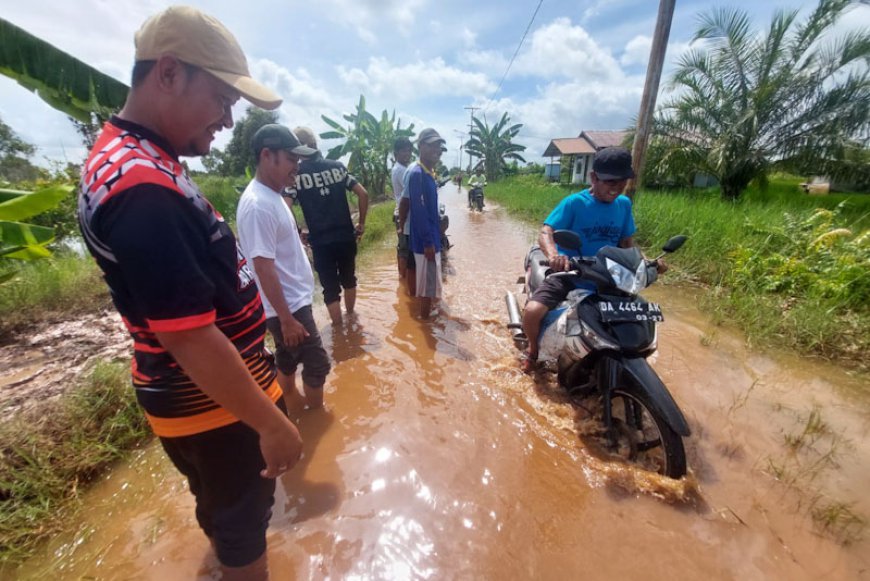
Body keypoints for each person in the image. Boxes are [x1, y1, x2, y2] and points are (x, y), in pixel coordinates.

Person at [76, 7, 301, 579]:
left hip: (206, 404)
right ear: (170, 73)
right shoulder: (143, 187)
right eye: (222, 100)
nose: (227, 121)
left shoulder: (134, 158)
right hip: (211, 410)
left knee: (227, 517)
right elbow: (192, 338)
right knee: (243, 527)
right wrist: (270, 424)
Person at [520, 146, 667, 373]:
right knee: (532, 311)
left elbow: (627, 242)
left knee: (635, 319)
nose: (617, 187)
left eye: (622, 181)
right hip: (571, 274)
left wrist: (647, 264)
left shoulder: (624, 205)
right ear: (593, 177)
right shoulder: (574, 203)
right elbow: (546, 231)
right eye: (610, 181)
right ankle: (532, 350)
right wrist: (554, 256)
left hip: (610, 279)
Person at [236, 124, 332, 416]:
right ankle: (316, 419)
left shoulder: (272, 195)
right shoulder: (258, 205)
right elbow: (262, 267)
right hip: (287, 308)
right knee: (317, 364)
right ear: (268, 155)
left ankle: (287, 406)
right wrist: (288, 320)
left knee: (287, 360)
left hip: (290, 304)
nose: (297, 167)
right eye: (291, 159)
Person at [289, 126, 369, 325]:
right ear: (315, 144)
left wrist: (298, 232)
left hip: (320, 241)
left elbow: (285, 206)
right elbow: (363, 193)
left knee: (330, 289)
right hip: (345, 236)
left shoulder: (296, 175)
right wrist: (361, 223)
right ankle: (351, 318)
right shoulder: (337, 166)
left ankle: (339, 330)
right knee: (349, 279)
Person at [405, 128, 446, 318]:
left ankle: (426, 320)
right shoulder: (417, 173)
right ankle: (425, 328)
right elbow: (419, 212)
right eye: (431, 145)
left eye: (438, 146)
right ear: (420, 146)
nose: (436, 149)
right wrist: (429, 242)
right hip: (426, 243)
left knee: (429, 287)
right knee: (427, 290)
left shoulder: (428, 172)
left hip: (432, 239)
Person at [391, 137, 413, 280]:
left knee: (404, 248)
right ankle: (403, 279)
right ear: (396, 153)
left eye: (409, 151)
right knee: (404, 249)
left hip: (403, 213)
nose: (408, 154)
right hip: (403, 214)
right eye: (404, 151)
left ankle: (403, 278)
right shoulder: (401, 170)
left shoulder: (404, 169)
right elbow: (408, 196)